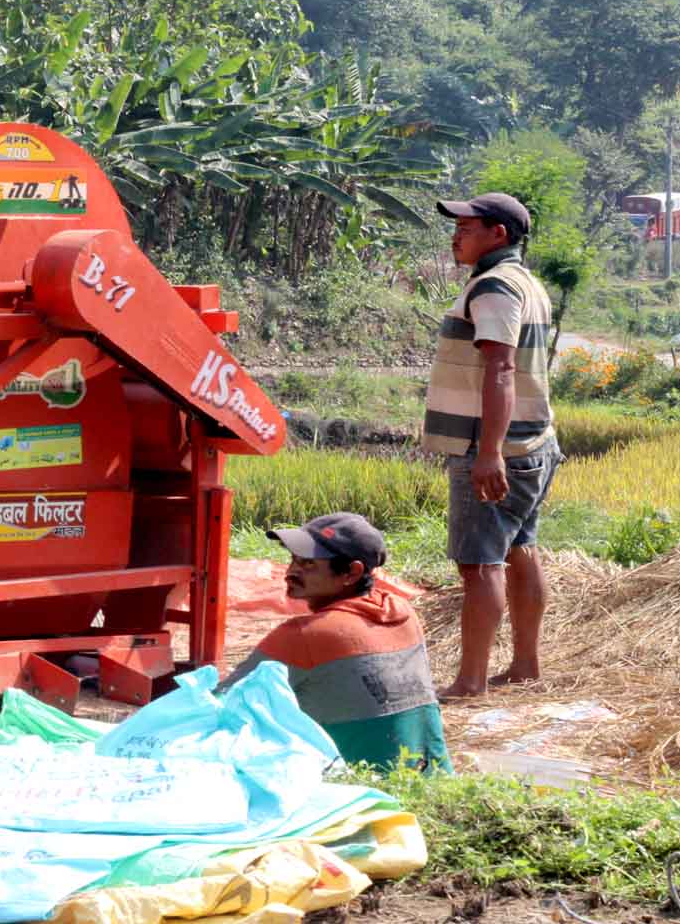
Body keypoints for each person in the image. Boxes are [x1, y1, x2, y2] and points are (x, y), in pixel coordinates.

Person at [425, 192, 562, 699]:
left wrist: (488, 452)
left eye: (467, 226)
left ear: (497, 234)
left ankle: (470, 682)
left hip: (496, 448)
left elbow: (500, 369)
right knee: (520, 550)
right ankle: (525, 665)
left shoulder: (495, 287)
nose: (456, 234)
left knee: (479, 564)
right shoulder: (524, 281)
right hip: (535, 443)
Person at [224, 513, 450, 771]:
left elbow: (222, 703)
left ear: (352, 573)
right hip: (429, 777)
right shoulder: (401, 610)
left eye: (308, 564)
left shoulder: (303, 634)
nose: (290, 572)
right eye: (293, 560)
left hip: (361, 788)